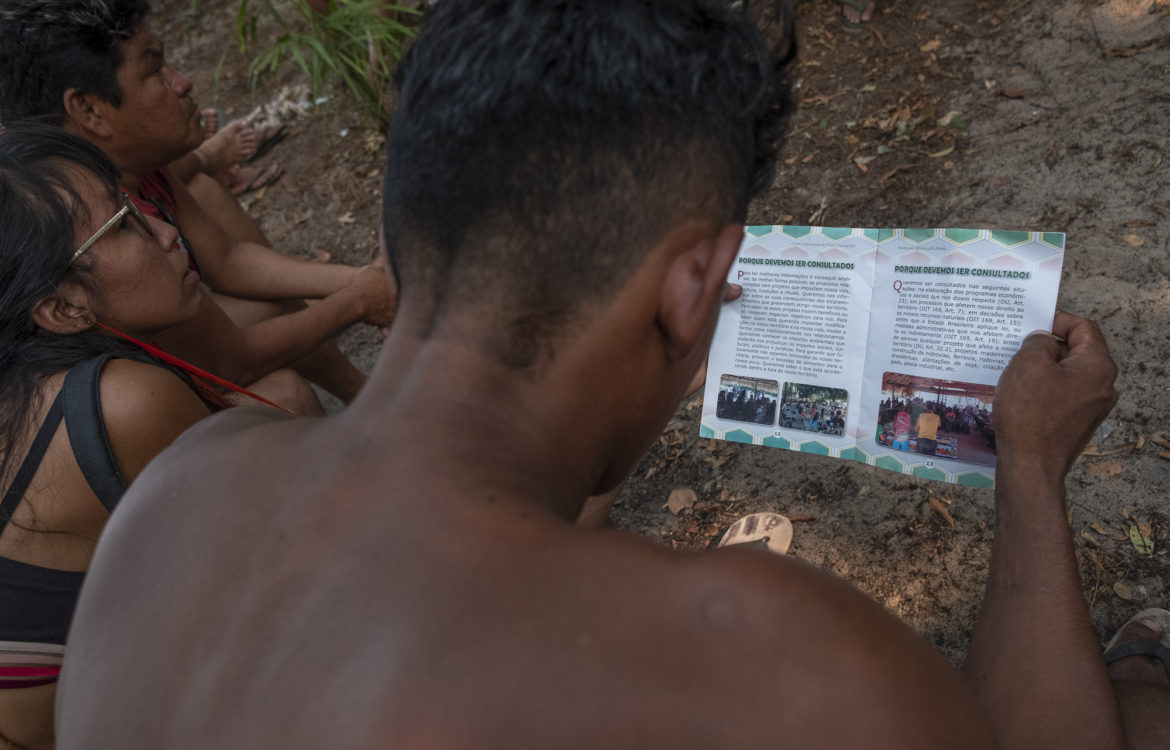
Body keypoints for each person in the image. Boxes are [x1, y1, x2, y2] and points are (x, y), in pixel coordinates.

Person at [56, 1, 1165, 748]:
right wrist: (1025, 464)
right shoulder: (786, 663)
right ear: (697, 290)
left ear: (394, 242)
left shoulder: (174, 496)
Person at [0, 122, 261, 749]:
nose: (168, 232)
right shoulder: (118, 404)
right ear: (62, 307)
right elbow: (265, 561)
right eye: (122, 224)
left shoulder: (28, 386)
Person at [0, 0, 396, 405]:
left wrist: (364, 279)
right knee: (286, 397)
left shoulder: (127, 162)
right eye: (155, 70)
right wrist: (361, 299)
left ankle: (367, 399)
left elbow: (227, 260)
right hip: (127, 412)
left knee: (270, 303)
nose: (183, 83)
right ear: (89, 109)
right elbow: (232, 361)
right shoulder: (76, 220)